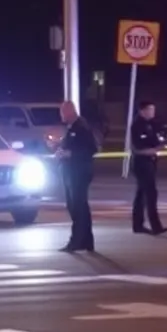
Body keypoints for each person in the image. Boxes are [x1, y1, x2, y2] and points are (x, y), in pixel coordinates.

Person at [56, 100, 97, 252]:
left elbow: (91, 149)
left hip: (79, 173)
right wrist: (59, 150)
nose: (61, 115)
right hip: (71, 172)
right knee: (78, 206)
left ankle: (77, 241)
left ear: (70, 112)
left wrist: (70, 154)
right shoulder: (71, 128)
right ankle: (87, 240)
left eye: (62, 112)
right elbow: (70, 146)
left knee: (77, 206)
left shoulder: (81, 127)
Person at [129, 101, 167, 235]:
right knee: (151, 193)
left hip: (151, 163)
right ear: (142, 111)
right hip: (142, 164)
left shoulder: (151, 125)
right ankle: (155, 226)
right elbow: (137, 148)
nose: (153, 112)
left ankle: (138, 224)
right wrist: (154, 150)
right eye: (150, 109)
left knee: (141, 195)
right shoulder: (137, 126)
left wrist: (161, 146)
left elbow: (156, 141)